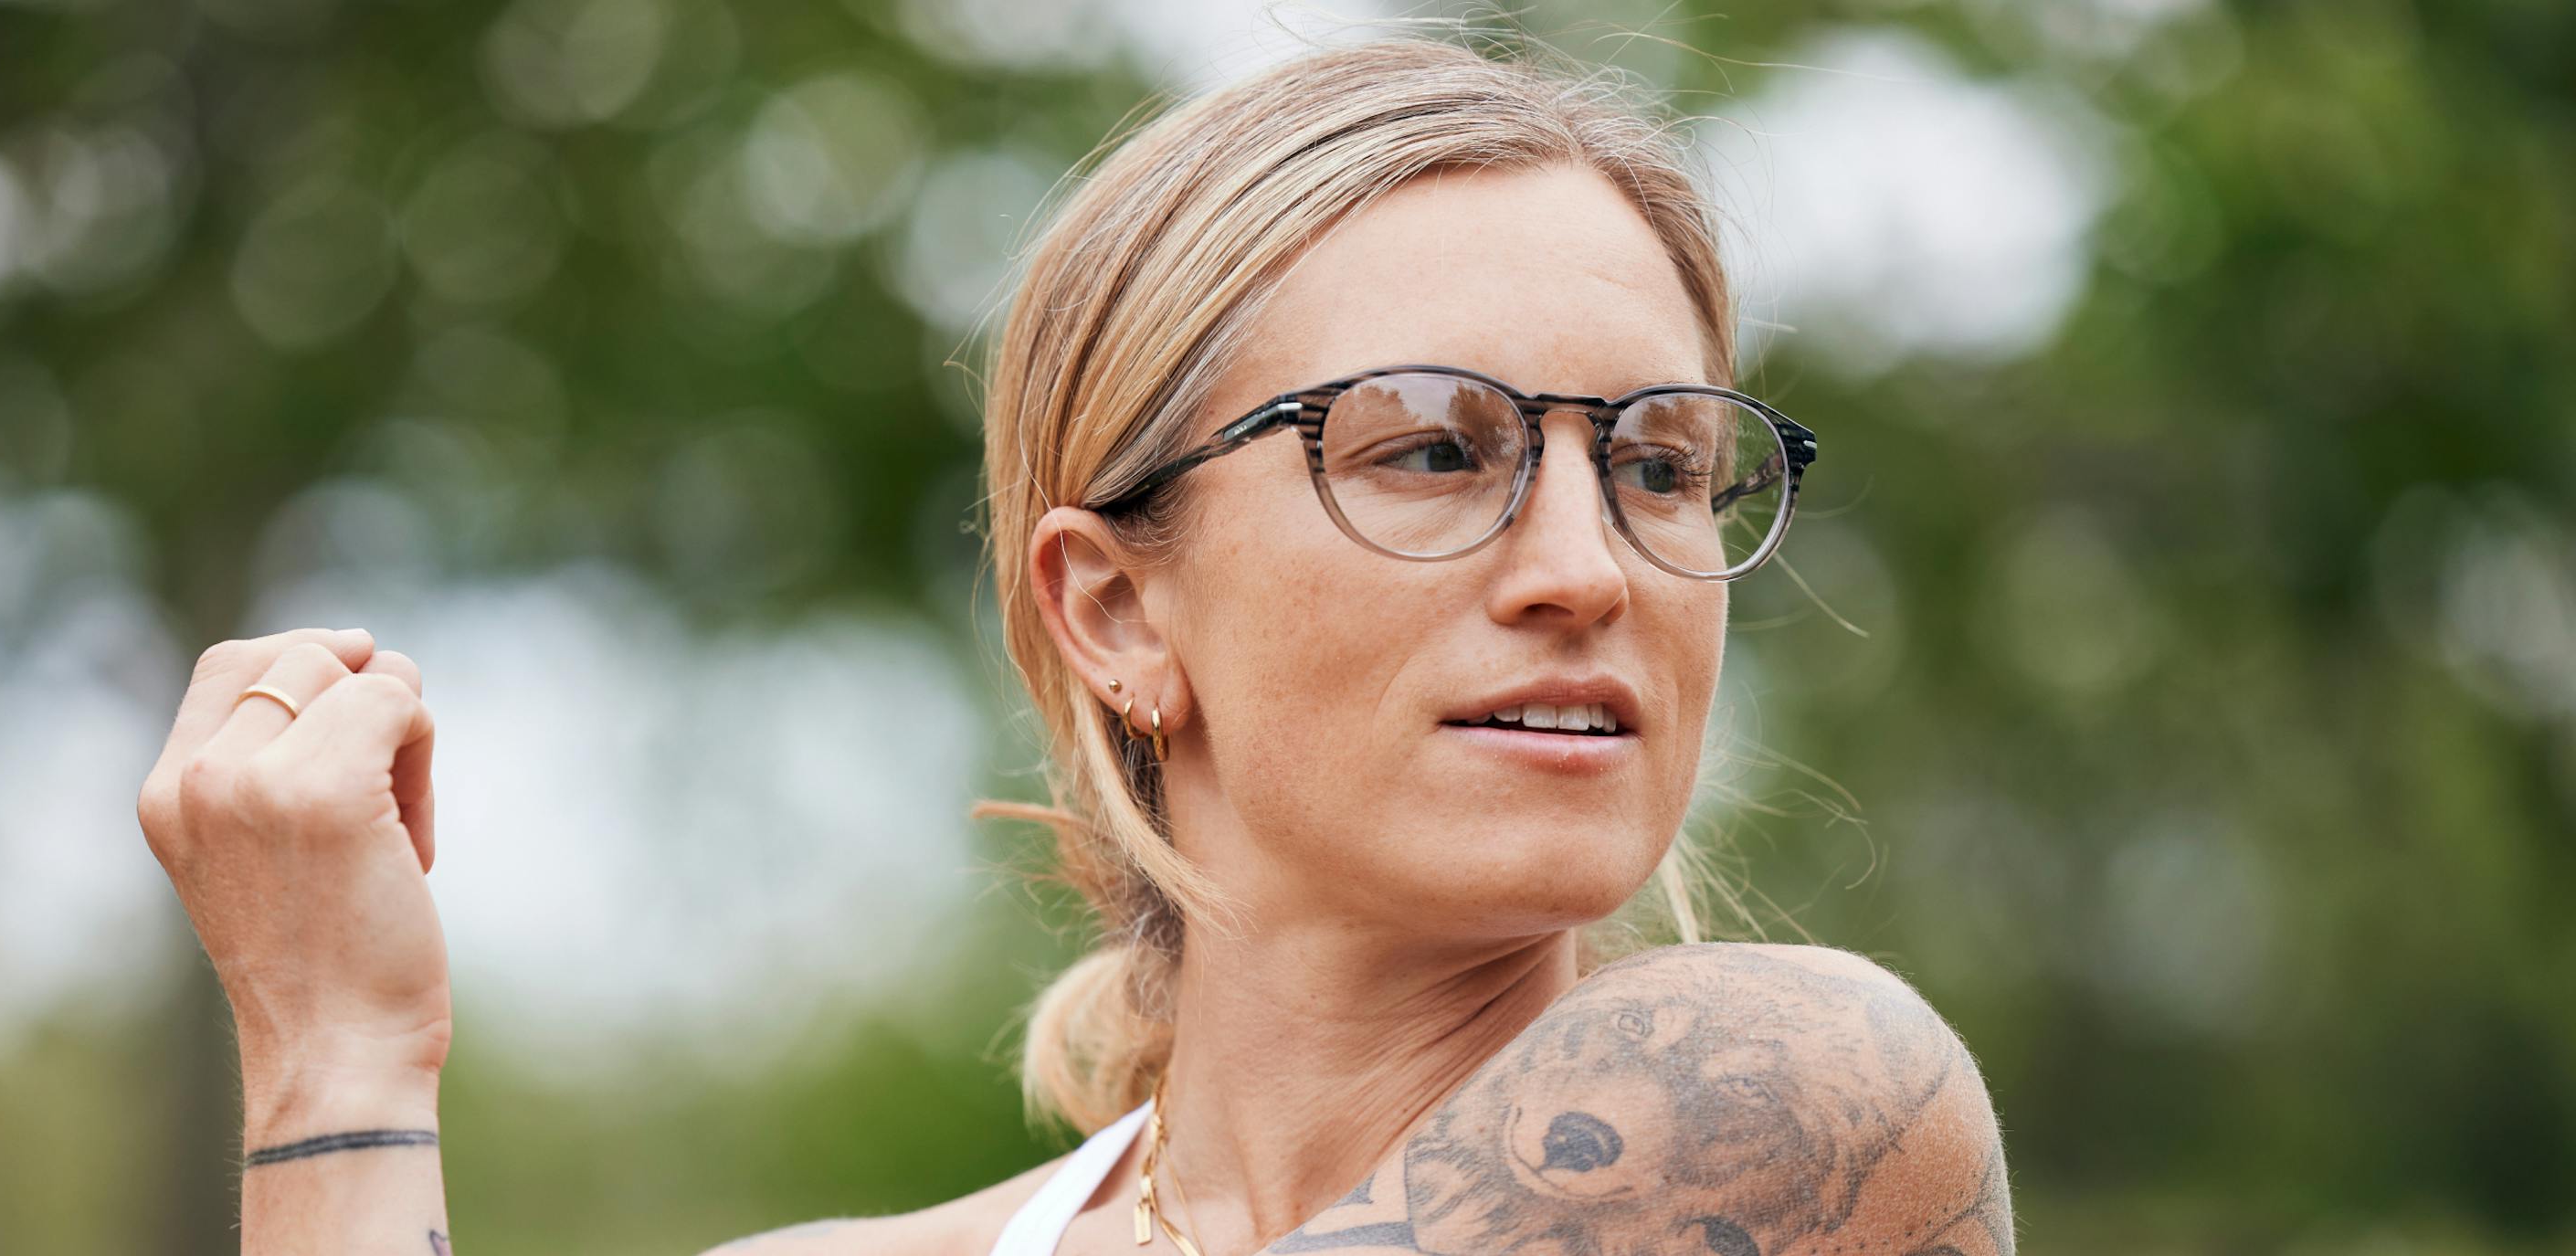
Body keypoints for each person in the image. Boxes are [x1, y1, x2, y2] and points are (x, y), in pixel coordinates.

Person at [136, 36, 2014, 1256]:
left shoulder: (1803, 1114)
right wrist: (340, 1066)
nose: (1584, 563)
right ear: (1113, 606)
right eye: (1434, 450)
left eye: (1662, 462)